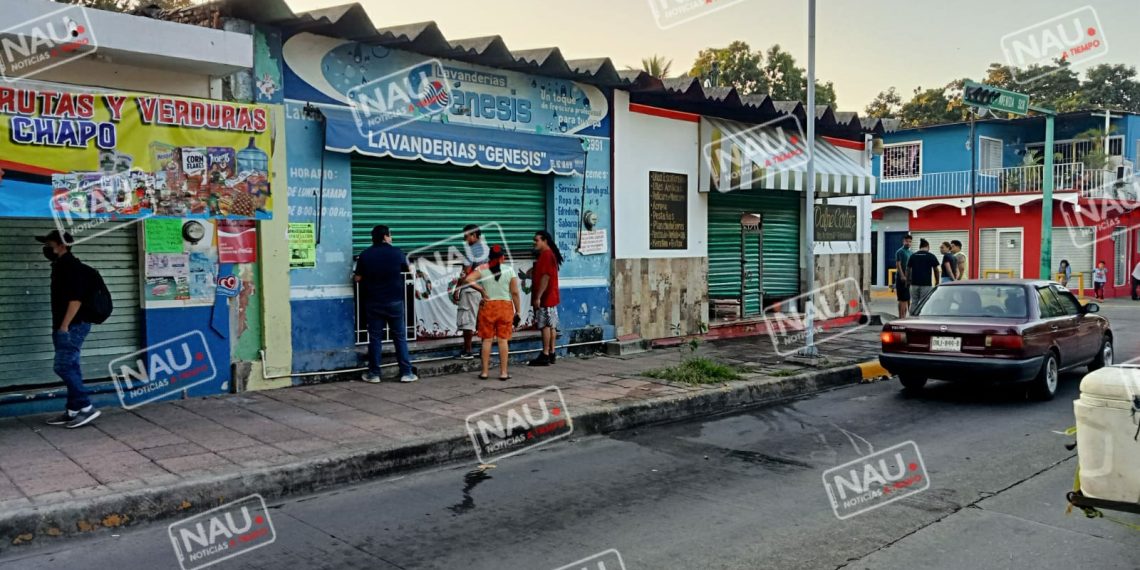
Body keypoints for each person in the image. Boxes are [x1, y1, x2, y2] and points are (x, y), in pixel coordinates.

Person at [37, 230, 101, 428]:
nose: (46, 248)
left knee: (63, 366)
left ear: (62, 245)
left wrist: (64, 326)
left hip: (73, 326)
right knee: (71, 366)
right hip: (66, 325)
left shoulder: (71, 268)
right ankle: (73, 410)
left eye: (49, 245)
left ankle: (86, 407)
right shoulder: (60, 266)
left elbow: (76, 300)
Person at [354, 225, 418, 383]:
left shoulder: (365, 254)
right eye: (390, 235)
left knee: (375, 338)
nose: (391, 237)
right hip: (395, 301)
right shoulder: (397, 252)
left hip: (374, 302)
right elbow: (409, 270)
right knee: (400, 337)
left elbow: (358, 278)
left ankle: (374, 374)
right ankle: (406, 373)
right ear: (385, 237)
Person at [464, 245, 521, 381]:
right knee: (503, 340)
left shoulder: (482, 268)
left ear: (489, 257)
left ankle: (484, 372)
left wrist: (481, 291)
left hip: (488, 306)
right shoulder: (509, 270)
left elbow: (468, 279)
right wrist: (518, 311)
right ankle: (503, 373)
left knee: (487, 340)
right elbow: (514, 293)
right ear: (502, 257)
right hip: (505, 307)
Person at [529, 230, 563, 366]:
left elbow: (546, 277)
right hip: (551, 296)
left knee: (545, 326)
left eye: (536, 240)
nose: (534, 243)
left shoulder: (547, 255)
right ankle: (552, 352)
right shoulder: (548, 255)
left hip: (546, 297)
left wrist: (538, 297)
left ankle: (545, 354)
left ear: (545, 241)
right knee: (552, 325)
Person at [455, 224, 488, 360]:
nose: (464, 239)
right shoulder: (486, 249)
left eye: (466, 236)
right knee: (481, 320)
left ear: (474, 235)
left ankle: (467, 351)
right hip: (483, 289)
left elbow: (466, 273)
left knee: (467, 320)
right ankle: (484, 349)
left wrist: (457, 289)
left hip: (470, 289)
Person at [906, 239, 941, 307]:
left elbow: (908, 269)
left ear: (920, 247)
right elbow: (936, 270)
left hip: (914, 284)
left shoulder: (913, 256)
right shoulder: (931, 256)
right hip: (926, 284)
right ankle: (921, 314)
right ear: (928, 246)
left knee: (914, 302)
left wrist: (907, 281)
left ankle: (912, 313)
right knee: (924, 302)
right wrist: (937, 281)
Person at [894, 235, 913, 317]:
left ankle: (905, 317)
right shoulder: (900, 251)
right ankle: (901, 318)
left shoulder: (911, 252)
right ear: (903, 241)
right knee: (902, 299)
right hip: (901, 279)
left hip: (908, 279)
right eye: (906, 241)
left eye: (910, 241)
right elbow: (898, 264)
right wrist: (902, 276)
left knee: (907, 298)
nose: (908, 243)